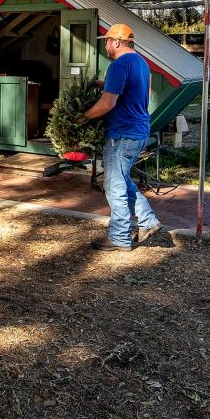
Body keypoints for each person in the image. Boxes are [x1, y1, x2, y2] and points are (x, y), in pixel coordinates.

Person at [78, 23, 161, 251]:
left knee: (114, 185)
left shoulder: (118, 65)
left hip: (121, 134)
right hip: (139, 131)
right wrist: (99, 84)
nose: (105, 45)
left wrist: (83, 118)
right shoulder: (140, 63)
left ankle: (119, 237)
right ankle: (148, 221)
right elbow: (127, 87)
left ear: (116, 42)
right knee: (122, 180)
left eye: (106, 41)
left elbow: (108, 103)